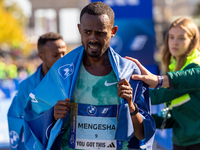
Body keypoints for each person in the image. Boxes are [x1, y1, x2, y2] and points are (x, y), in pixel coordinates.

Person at [23, 2, 155, 150]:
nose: (93, 39)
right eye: (87, 32)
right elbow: (33, 113)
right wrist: (52, 115)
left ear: (113, 31)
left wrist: (131, 107)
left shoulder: (130, 73)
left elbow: (143, 135)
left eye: (100, 33)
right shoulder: (62, 71)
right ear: (79, 29)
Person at [129, 17, 200, 150]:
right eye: (171, 37)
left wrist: (132, 91)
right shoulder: (172, 67)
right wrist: (137, 120)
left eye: (181, 38)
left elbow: (157, 96)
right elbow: (175, 115)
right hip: (181, 141)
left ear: (193, 41)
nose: (175, 42)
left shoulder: (194, 66)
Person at [7, 32, 67, 150]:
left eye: (64, 53)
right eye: (55, 55)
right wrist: (49, 117)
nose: (61, 58)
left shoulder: (75, 80)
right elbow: (18, 122)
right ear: (41, 56)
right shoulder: (26, 87)